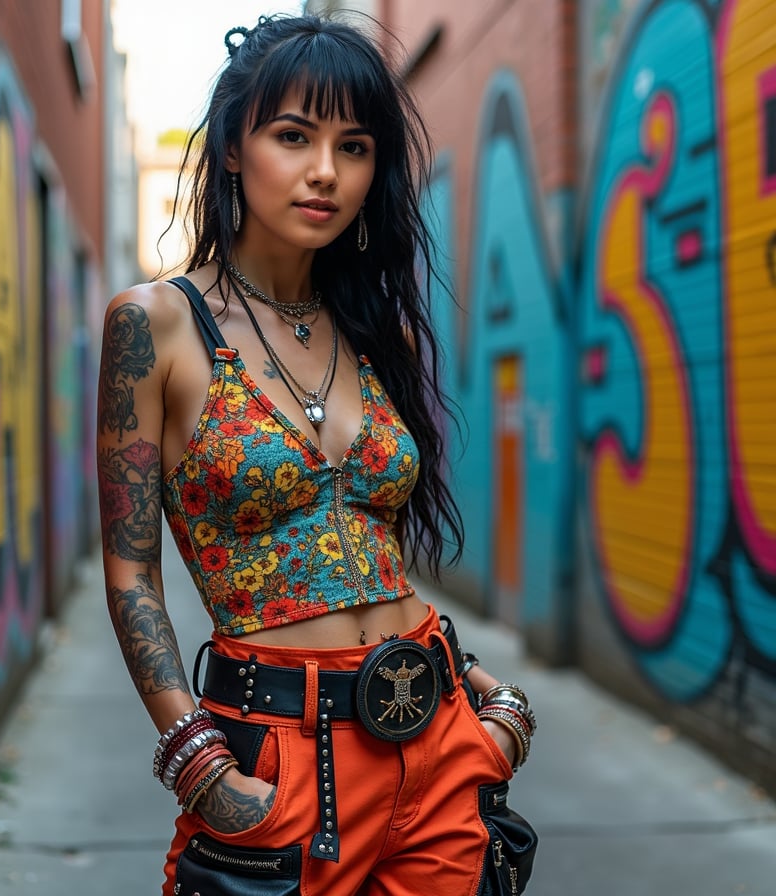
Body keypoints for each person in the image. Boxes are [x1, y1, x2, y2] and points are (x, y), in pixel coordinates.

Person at [96, 13, 536, 895]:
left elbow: (371, 546)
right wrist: (197, 760)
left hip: (438, 730)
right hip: (281, 758)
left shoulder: (376, 333)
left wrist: (499, 708)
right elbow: (131, 572)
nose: (326, 172)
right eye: (292, 136)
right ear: (232, 147)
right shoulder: (157, 325)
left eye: (355, 145)